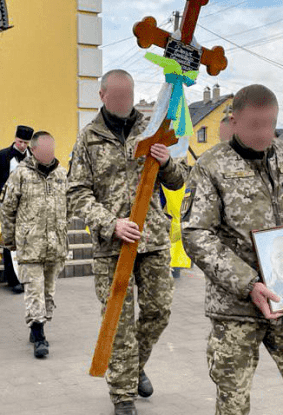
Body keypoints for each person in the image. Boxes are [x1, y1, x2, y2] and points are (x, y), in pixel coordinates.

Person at [182, 84, 283, 415]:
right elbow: (196, 233)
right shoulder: (211, 166)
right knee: (233, 401)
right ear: (234, 121)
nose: (265, 133)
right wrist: (248, 283)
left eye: (270, 123)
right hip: (236, 307)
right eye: (255, 125)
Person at [67, 69, 186, 415]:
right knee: (117, 320)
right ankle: (123, 394)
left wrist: (166, 162)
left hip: (152, 239)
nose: (124, 102)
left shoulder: (151, 131)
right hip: (110, 244)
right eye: (117, 96)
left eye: (129, 95)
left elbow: (177, 182)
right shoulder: (88, 138)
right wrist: (110, 223)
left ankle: (132, 366)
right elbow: (76, 192)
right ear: (102, 96)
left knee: (159, 311)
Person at [0, 131, 67, 358]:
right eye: (44, 151)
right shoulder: (20, 174)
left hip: (55, 246)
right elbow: (7, 208)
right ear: (34, 150)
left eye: (52, 151)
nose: (49, 156)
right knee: (34, 290)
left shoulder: (61, 174)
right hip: (30, 245)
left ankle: (39, 324)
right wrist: (9, 240)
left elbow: (72, 205)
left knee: (48, 292)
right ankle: (38, 335)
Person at [0, 125, 36, 294]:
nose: (22, 146)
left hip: (27, 206)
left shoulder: (32, 157)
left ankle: (25, 278)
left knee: (27, 243)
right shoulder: (4, 155)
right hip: (8, 206)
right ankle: (12, 280)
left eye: (26, 143)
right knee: (10, 243)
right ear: (15, 138)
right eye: (20, 142)